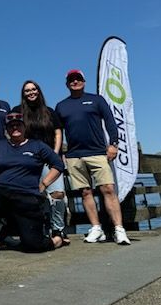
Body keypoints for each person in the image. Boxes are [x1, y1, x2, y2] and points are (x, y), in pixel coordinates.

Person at [0, 111, 65, 254]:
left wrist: (45, 183)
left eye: (18, 125)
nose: (15, 128)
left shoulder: (37, 145)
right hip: (1, 194)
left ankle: (56, 240)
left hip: (27, 198)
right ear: (7, 129)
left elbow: (58, 165)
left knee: (33, 246)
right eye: (11, 126)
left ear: (24, 127)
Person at [55, 69, 131, 245]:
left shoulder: (97, 100)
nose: (75, 82)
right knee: (85, 192)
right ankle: (96, 228)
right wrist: (60, 154)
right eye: (71, 80)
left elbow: (110, 121)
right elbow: (58, 132)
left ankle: (119, 229)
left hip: (97, 153)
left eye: (78, 79)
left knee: (108, 190)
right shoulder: (61, 106)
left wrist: (113, 144)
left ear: (84, 81)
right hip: (74, 156)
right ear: (67, 84)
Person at [13, 80, 70, 245]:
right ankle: (42, 229)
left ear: (38, 91)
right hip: (28, 161)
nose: (31, 92)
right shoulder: (18, 111)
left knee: (58, 194)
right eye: (27, 90)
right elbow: (12, 132)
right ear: (23, 94)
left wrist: (55, 153)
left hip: (49, 160)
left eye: (33, 89)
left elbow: (58, 133)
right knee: (36, 196)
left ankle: (58, 228)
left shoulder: (49, 112)